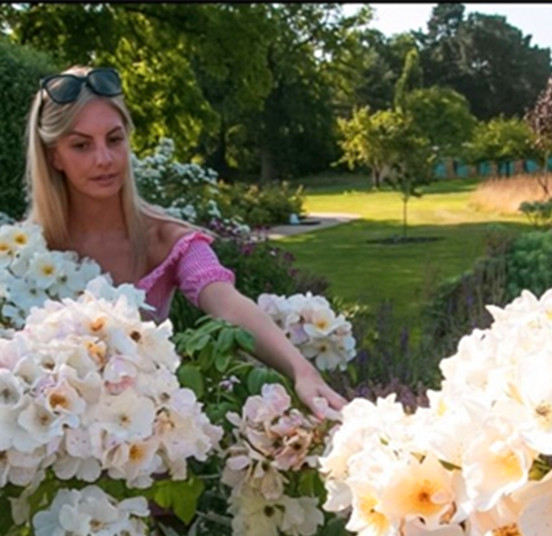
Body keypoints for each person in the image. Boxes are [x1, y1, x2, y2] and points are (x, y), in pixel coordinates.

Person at [24, 65, 345, 418]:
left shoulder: (167, 240)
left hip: (146, 447)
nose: (104, 159)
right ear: (54, 155)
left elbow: (228, 303)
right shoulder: (23, 254)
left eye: (114, 139)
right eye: (82, 145)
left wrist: (302, 371)